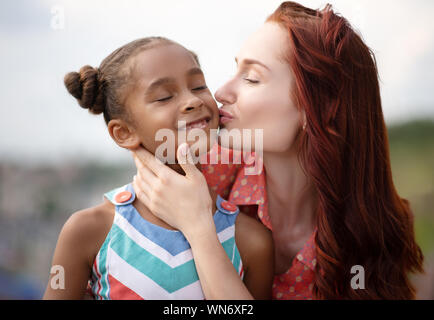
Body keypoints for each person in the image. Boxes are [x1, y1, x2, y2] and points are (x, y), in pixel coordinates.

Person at [131, 2, 425, 299]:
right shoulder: (206, 176)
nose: (221, 92)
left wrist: (199, 229)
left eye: (251, 78)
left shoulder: (369, 241)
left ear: (317, 107)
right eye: (236, 70)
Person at [42, 37, 274, 300]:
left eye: (198, 86)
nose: (193, 101)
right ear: (124, 132)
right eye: (164, 96)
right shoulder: (89, 230)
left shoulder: (251, 241)